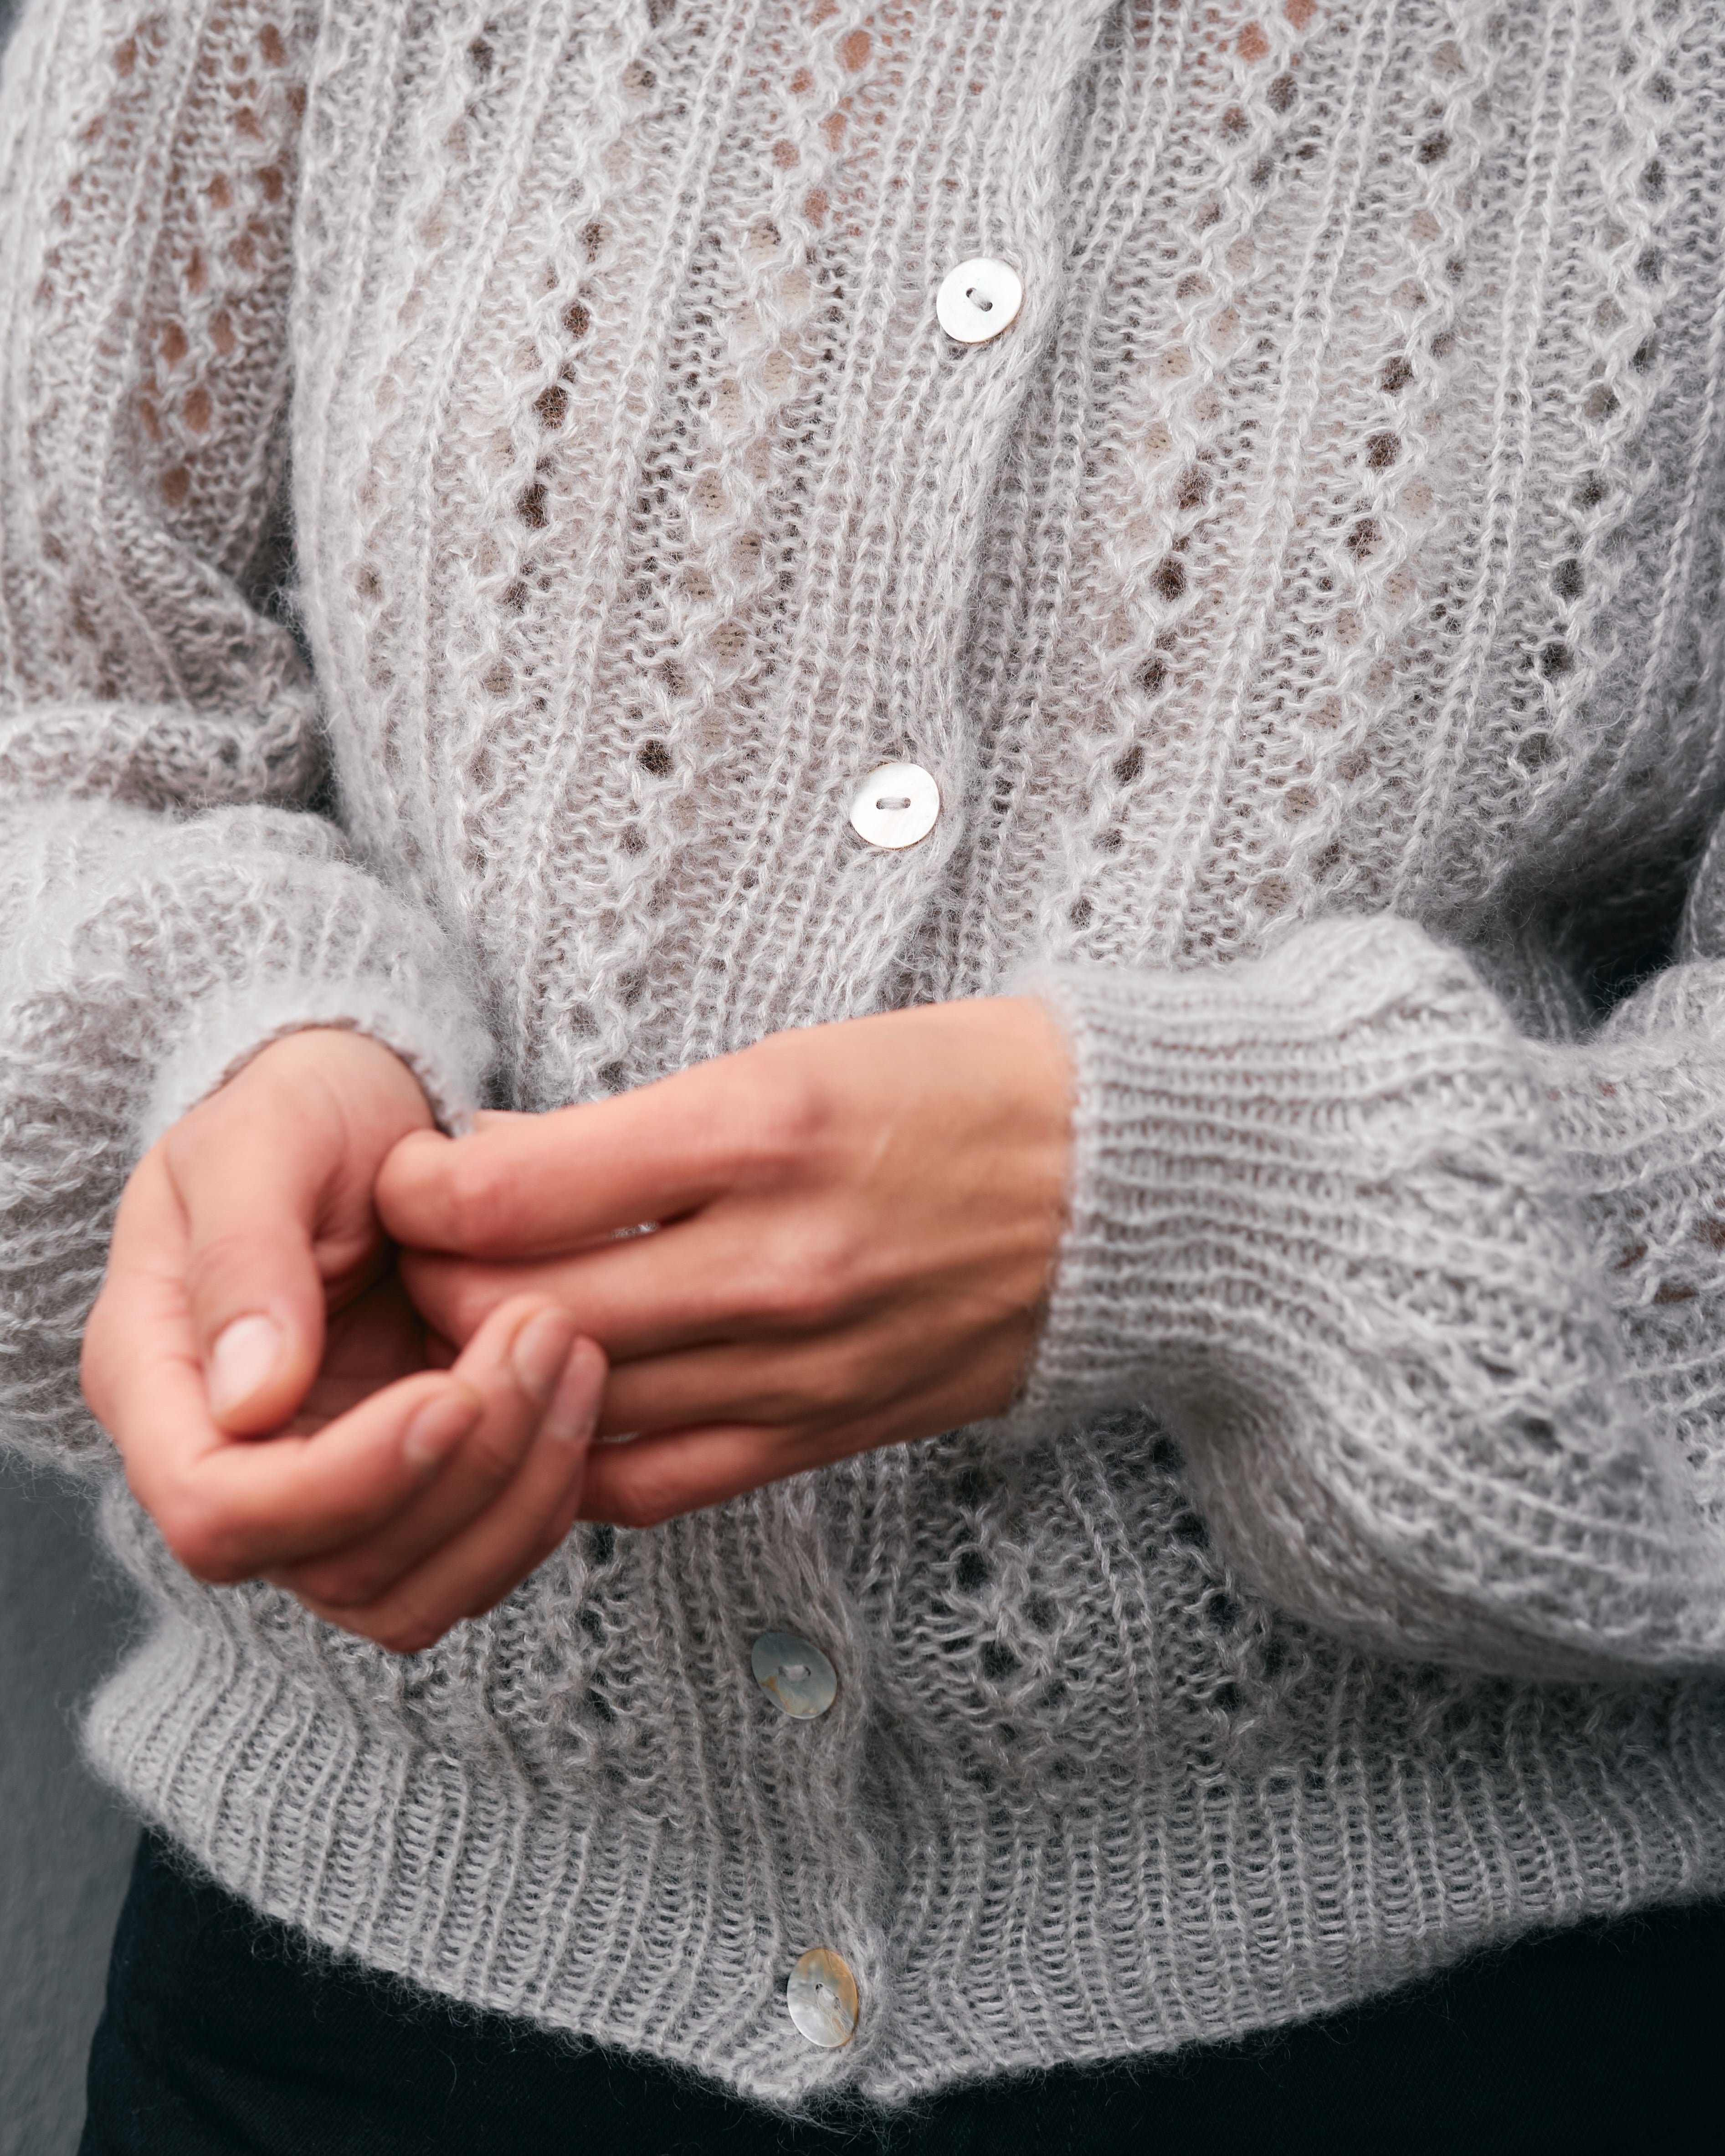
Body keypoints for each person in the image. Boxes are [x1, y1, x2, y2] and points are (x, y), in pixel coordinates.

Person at [0, 0, 1722, 2147]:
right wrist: (227, 1054)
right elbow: (52, 715)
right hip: (341, 2027)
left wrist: (1221, 1201)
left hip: (1467, 2030)